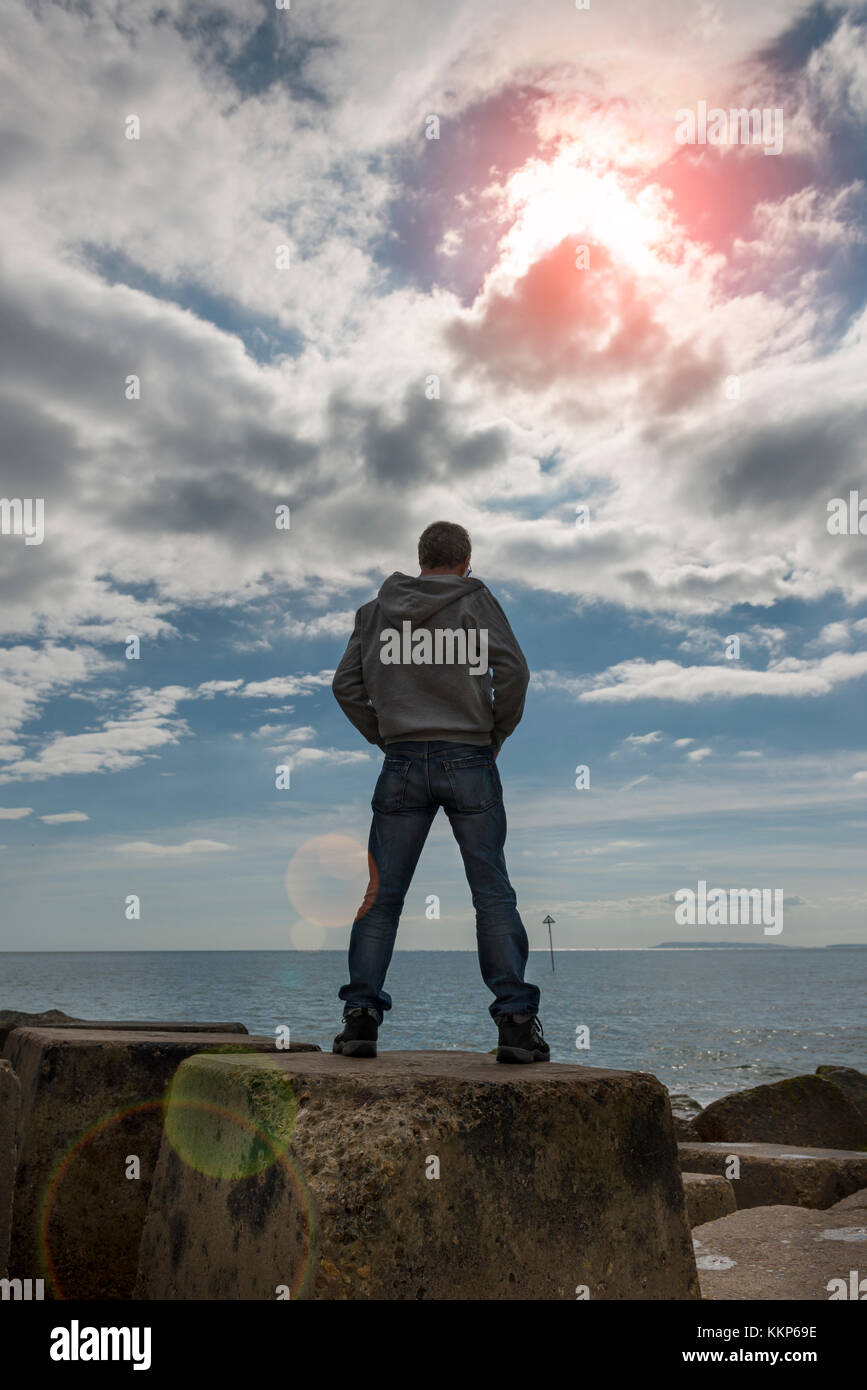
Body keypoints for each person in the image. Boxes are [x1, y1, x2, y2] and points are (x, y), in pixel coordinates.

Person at [330, 520, 547, 1063]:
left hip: (402, 760)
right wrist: (494, 734)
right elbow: (514, 671)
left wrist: (387, 736)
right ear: (465, 562)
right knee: (491, 893)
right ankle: (516, 1026)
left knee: (381, 897)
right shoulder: (476, 601)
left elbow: (345, 685)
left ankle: (360, 1021)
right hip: (469, 756)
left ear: (421, 557)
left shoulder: (375, 612)